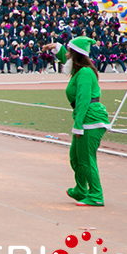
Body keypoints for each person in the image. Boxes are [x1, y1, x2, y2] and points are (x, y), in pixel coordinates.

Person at [44, 37, 110, 206]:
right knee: (75, 157)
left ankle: (96, 195)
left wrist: (78, 125)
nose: (65, 55)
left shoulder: (85, 73)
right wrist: (56, 47)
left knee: (86, 159)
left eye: (68, 52)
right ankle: (81, 189)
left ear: (76, 55)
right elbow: (67, 59)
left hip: (90, 119)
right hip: (84, 118)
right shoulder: (79, 70)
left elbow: (83, 100)